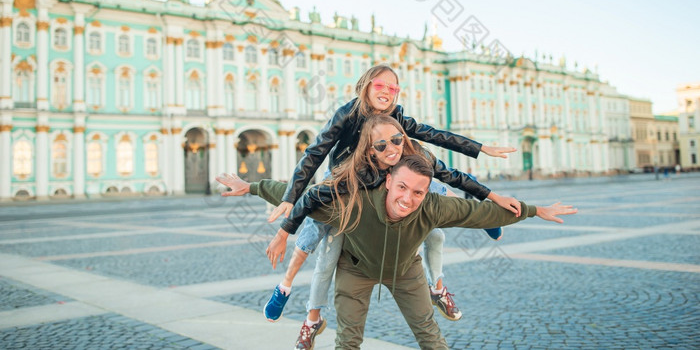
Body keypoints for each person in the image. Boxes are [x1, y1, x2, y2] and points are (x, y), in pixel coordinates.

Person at [259, 64, 514, 344]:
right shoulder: (346, 114)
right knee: (321, 244)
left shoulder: (397, 118)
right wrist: (289, 201)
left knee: (436, 191)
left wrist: (479, 151)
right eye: (380, 85)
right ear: (366, 85)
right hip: (348, 178)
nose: (387, 92)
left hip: (386, 172)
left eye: (393, 88)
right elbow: (315, 153)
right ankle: (289, 294)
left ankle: (476, 234)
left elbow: (433, 135)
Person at [216, 154, 576, 349]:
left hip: (406, 271)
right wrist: (251, 186)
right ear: (388, 181)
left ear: (426, 193)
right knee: (348, 340)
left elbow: (480, 212)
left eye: (418, 192)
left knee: (430, 334)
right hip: (355, 271)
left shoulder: (433, 207)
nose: (408, 198)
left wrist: (534, 210)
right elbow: (300, 193)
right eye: (402, 187)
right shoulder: (353, 203)